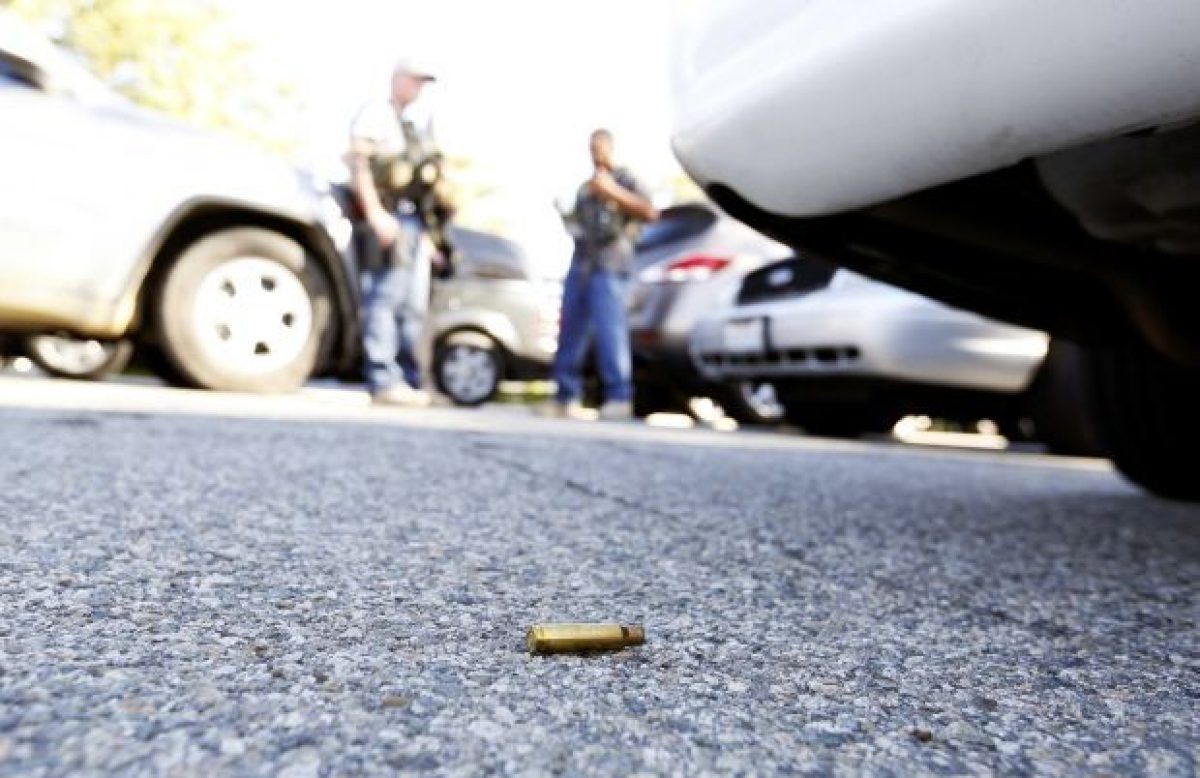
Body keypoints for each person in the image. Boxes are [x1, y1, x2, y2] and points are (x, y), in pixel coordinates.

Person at [347, 57, 445, 406]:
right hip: (388, 216)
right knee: (385, 298)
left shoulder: (411, 125)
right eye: (415, 81)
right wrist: (375, 213)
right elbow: (358, 163)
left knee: (411, 305)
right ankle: (383, 379)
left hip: (412, 222)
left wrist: (427, 237)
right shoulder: (376, 113)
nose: (419, 89)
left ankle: (408, 379)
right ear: (398, 79)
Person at [550, 129, 659, 420]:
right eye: (591, 149)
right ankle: (565, 396)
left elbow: (650, 212)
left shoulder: (626, 179)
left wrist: (611, 191)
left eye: (599, 148)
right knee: (570, 330)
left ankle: (619, 397)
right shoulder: (586, 187)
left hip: (612, 264)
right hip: (582, 262)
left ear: (610, 148)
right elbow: (578, 223)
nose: (595, 154)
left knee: (611, 332)